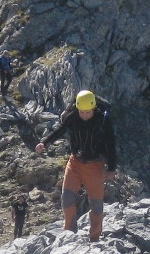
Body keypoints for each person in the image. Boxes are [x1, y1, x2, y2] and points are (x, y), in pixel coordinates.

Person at [34, 89, 116, 242]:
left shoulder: (103, 120)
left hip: (95, 165)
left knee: (96, 205)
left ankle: (95, 237)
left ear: (93, 108)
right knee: (67, 198)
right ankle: (69, 232)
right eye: (82, 112)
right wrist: (44, 143)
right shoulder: (72, 117)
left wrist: (111, 168)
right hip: (75, 162)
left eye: (88, 112)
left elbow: (111, 144)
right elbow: (60, 130)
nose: (84, 115)